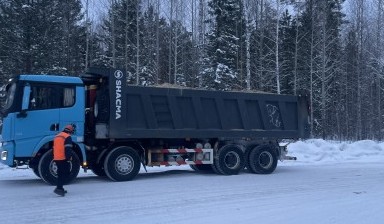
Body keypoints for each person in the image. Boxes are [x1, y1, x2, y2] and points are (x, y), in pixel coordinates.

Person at [53, 124, 75, 196]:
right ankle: (59, 188)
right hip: (63, 158)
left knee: (60, 173)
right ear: (70, 131)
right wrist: (68, 159)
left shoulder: (57, 136)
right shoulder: (67, 137)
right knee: (65, 174)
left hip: (57, 158)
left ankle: (60, 188)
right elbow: (68, 149)